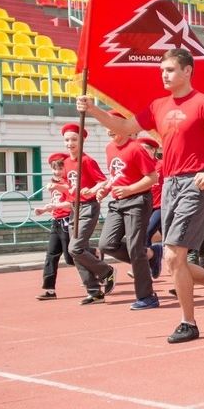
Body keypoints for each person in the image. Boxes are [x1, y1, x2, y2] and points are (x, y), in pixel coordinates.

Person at [77, 48, 204, 344]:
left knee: (173, 255)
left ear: (187, 71)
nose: (164, 75)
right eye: (162, 70)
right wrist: (93, 110)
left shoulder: (203, 104)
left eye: (170, 70)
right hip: (170, 185)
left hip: (195, 183)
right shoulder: (158, 106)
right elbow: (125, 127)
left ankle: (188, 323)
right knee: (172, 262)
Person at [99, 129, 161, 310]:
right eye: (106, 125)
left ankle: (147, 296)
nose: (109, 129)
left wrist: (129, 190)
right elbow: (116, 176)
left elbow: (152, 177)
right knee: (106, 244)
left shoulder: (136, 149)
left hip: (137, 200)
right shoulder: (110, 148)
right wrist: (105, 189)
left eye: (112, 124)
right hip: (118, 201)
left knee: (135, 248)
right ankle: (151, 255)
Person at [57, 123, 117, 303]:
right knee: (76, 250)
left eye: (74, 139)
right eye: (67, 140)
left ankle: (106, 271)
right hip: (74, 209)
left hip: (88, 207)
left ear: (82, 140)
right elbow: (70, 186)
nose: (70, 143)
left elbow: (103, 182)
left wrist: (91, 190)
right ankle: (94, 291)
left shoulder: (87, 161)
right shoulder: (66, 163)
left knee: (75, 248)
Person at [34, 150, 73, 300]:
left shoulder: (69, 183)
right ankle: (49, 290)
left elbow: (70, 204)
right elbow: (55, 203)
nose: (57, 171)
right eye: (54, 168)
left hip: (67, 221)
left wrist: (55, 206)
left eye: (60, 168)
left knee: (71, 257)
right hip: (56, 222)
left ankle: (96, 259)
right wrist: (43, 209)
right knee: (51, 255)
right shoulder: (54, 183)